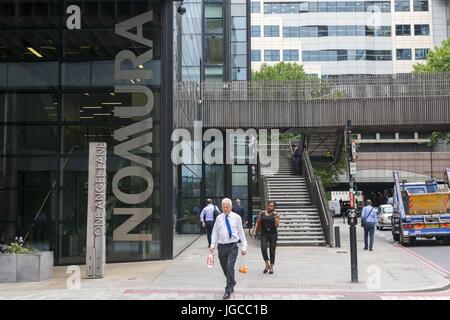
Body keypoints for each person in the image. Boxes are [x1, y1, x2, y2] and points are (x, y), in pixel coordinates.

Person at [209, 198, 247, 300]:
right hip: (221, 246)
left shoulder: (237, 217)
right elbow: (215, 232)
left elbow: (241, 232)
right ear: (221, 207)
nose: (225, 209)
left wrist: (244, 246)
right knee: (224, 267)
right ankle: (232, 281)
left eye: (227, 207)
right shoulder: (219, 218)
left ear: (231, 207)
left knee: (229, 267)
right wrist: (212, 245)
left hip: (232, 246)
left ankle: (227, 290)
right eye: (223, 207)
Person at [253, 201, 280, 274]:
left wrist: (276, 217)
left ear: (274, 207)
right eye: (269, 205)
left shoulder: (276, 214)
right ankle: (267, 264)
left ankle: (271, 266)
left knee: (272, 250)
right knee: (263, 248)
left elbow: (277, 226)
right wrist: (255, 231)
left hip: (273, 234)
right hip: (264, 234)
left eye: (271, 206)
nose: (269, 207)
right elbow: (257, 222)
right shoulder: (262, 213)